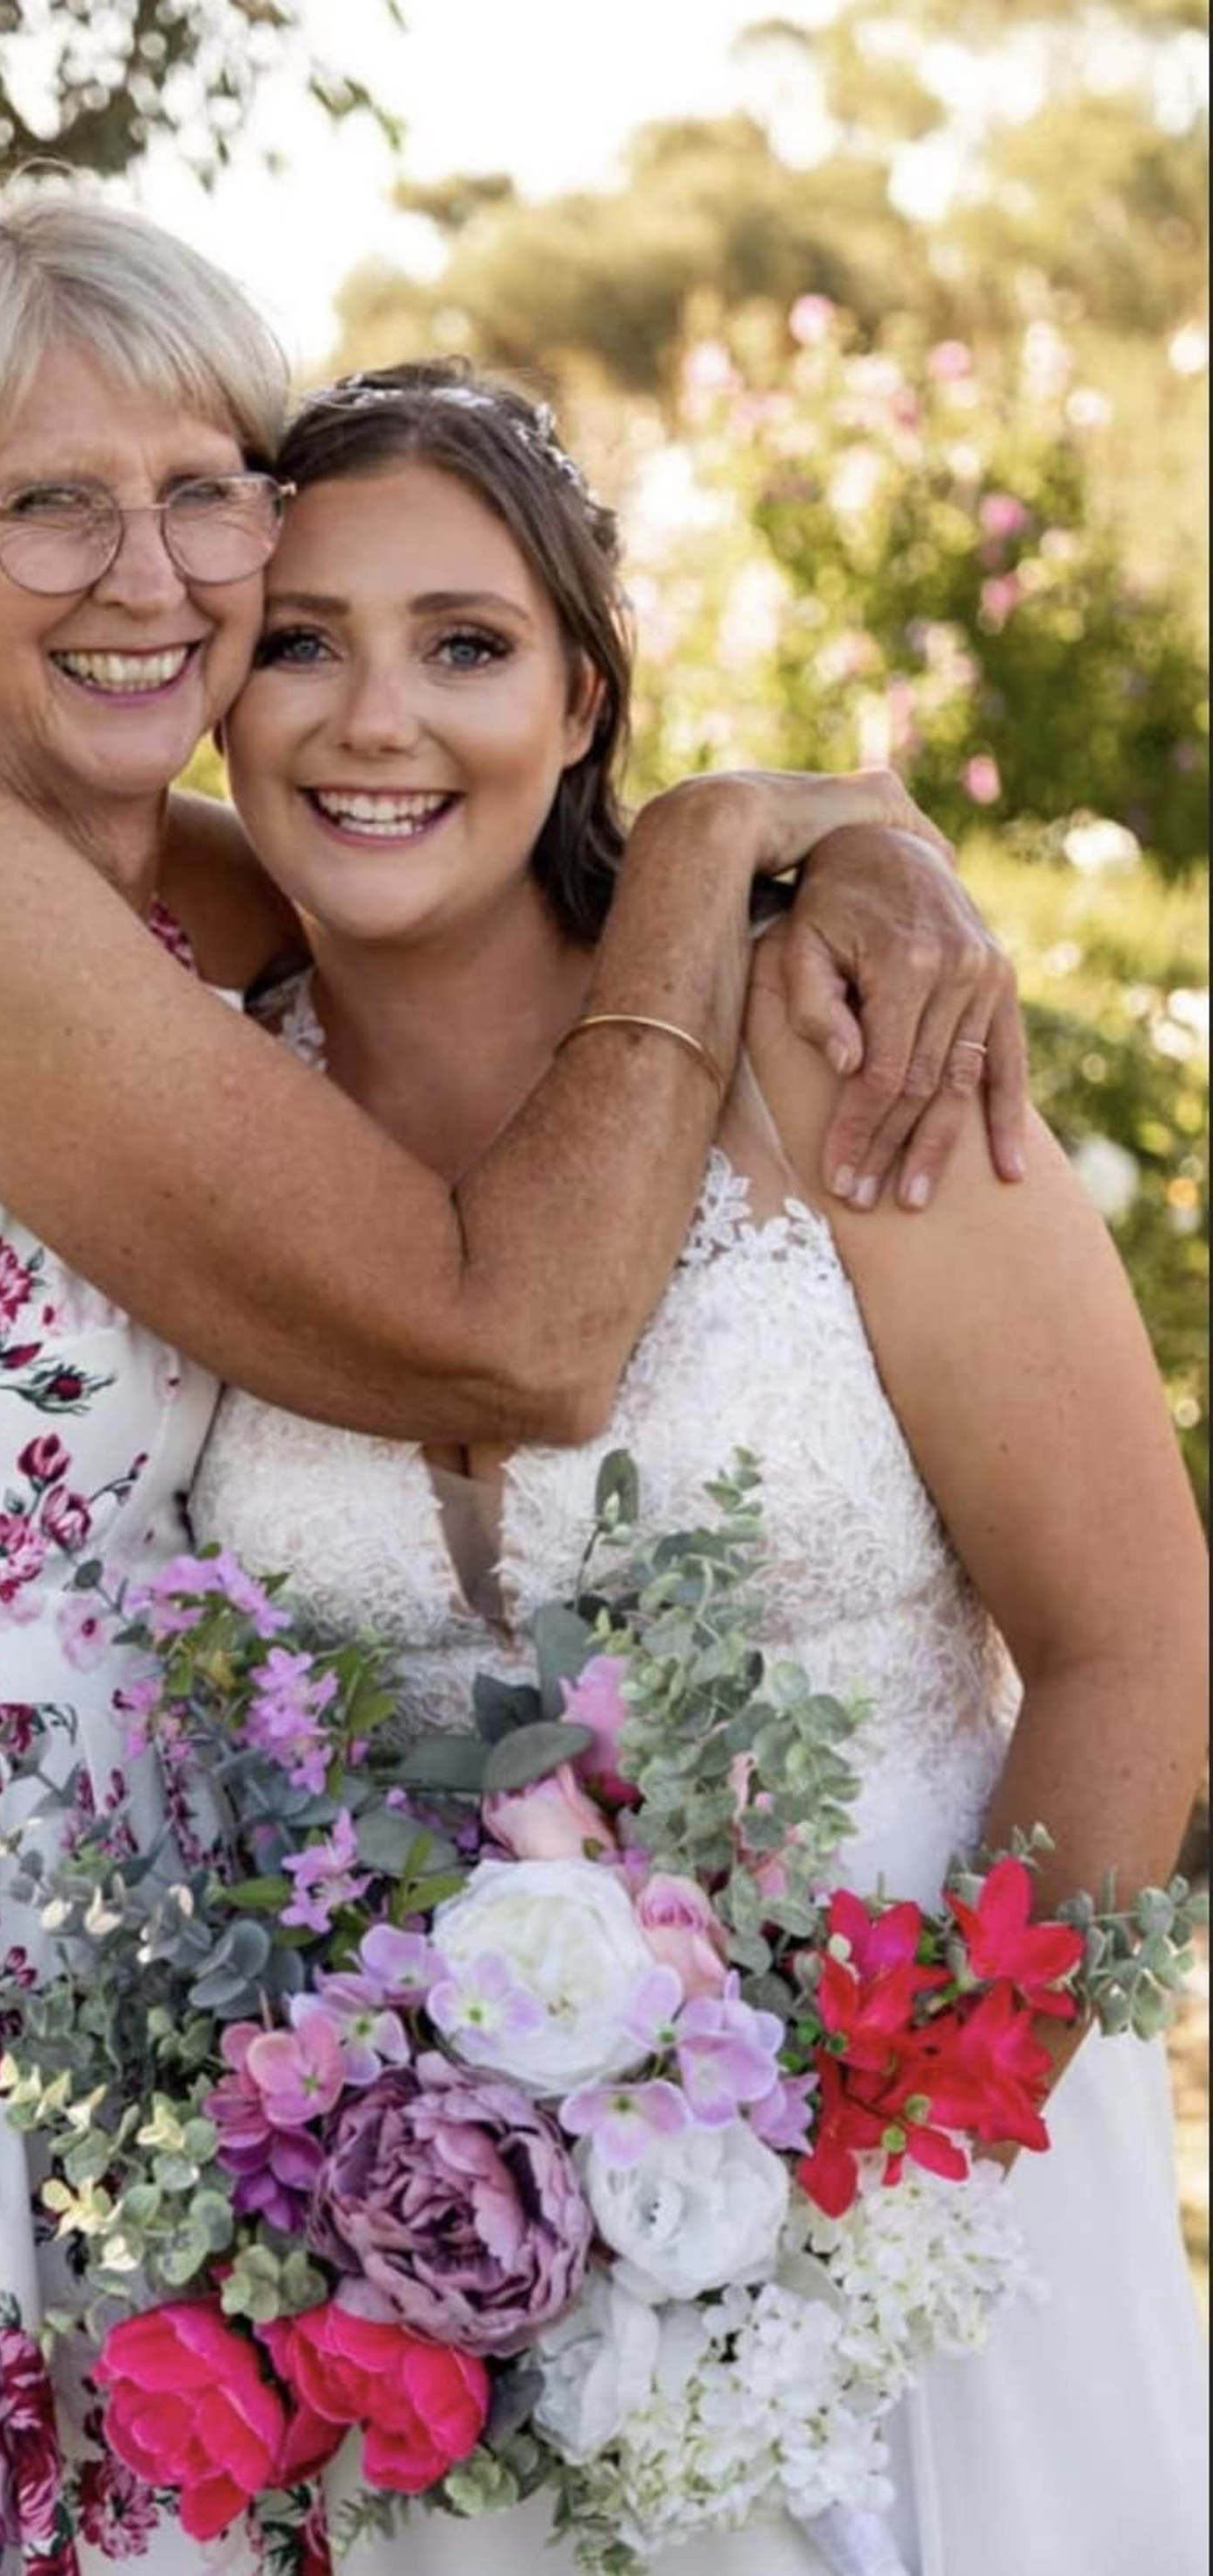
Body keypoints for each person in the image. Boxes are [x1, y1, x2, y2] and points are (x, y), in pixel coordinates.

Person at [0, 190, 1029, 2567]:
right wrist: (710, 838)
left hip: (169, 1909)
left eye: (206, 485)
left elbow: (468, 881)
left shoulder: (185, 888)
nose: (151, 569)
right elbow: (520, 1332)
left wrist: (857, 841)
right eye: (48, 498)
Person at [169, 364, 1206, 2574]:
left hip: (928, 2235)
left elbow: (1131, 1644)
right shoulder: (181, 1117)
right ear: (215, 699)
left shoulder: (846, 1043)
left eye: (464, 644)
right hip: (440, 2294)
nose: (374, 719)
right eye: (299, 640)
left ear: (583, 702)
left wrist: (879, 2181)